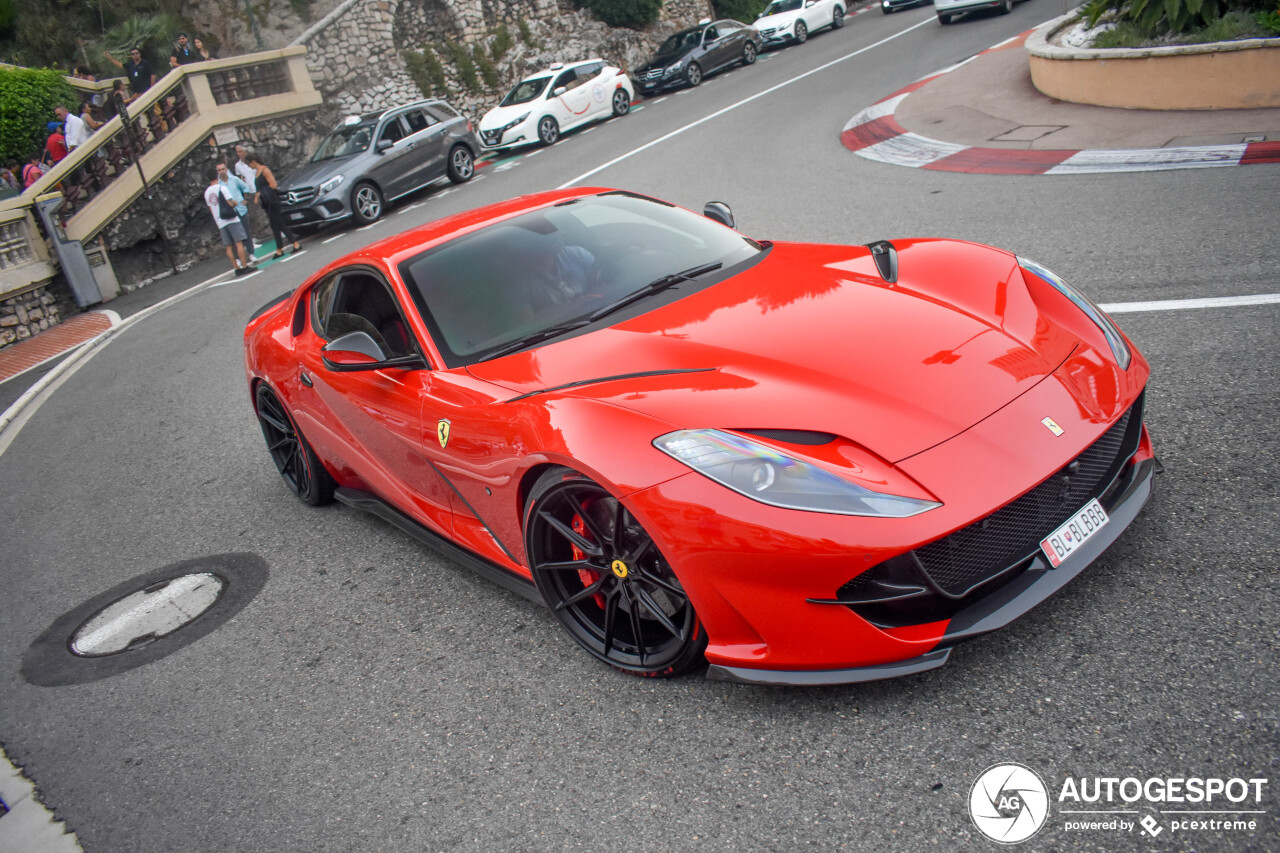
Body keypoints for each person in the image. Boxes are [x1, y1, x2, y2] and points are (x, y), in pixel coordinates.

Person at [245, 154, 301, 257]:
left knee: (278, 223)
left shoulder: (265, 170)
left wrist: (260, 193)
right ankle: (281, 248)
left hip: (272, 201)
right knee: (275, 225)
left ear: (253, 161)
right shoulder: (257, 173)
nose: (249, 166)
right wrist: (258, 196)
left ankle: (293, 243)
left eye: (249, 163)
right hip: (267, 202)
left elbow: (273, 185)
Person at [205, 167, 252, 275]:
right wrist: (236, 203)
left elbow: (211, 208)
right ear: (216, 175)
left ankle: (236, 267)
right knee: (239, 242)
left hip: (220, 221)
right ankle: (244, 265)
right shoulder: (222, 188)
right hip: (231, 218)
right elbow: (231, 203)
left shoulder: (207, 193)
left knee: (228, 246)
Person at [215, 161, 256, 263]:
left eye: (223, 169)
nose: (221, 171)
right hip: (229, 212)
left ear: (226, 169)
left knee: (246, 232)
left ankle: (251, 253)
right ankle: (237, 258)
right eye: (219, 170)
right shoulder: (218, 185)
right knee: (233, 237)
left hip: (240, 209)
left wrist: (245, 200)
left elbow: (245, 188)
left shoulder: (234, 180)